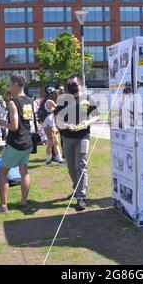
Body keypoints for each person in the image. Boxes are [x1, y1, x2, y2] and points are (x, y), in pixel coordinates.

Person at [54, 75, 100, 211]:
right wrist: (67, 126)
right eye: (68, 84)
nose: (70, 87)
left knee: (81, 165)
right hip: (67, 137)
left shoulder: (88, 99)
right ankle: (77, 187)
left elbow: (97, 116)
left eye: (72, 84)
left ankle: (81, 197)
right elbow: (57, 118)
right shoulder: (63, 99)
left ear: (79, 84)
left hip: (82, 136)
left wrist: (87, 122)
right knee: (70, 167)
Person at [0, 75, 35, 213]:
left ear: (15, 84)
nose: (8, 86)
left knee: (2, 173)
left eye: (9, 84)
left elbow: (14, 126)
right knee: (24, 171)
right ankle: (23, 202)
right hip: (27, 142)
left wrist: (2, 123)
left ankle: (3, 206)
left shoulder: (13, 103)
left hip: (15, 142)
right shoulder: (29, 101)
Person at [41, 87, 65, 165]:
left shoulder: (48, 100)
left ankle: (60, 159)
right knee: (51, 142)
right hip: (48, 125)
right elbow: (58, 108)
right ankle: (48, 160)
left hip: (51, 124)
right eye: (53, 93)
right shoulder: (49, 101)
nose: (55, 94)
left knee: (56, 142)